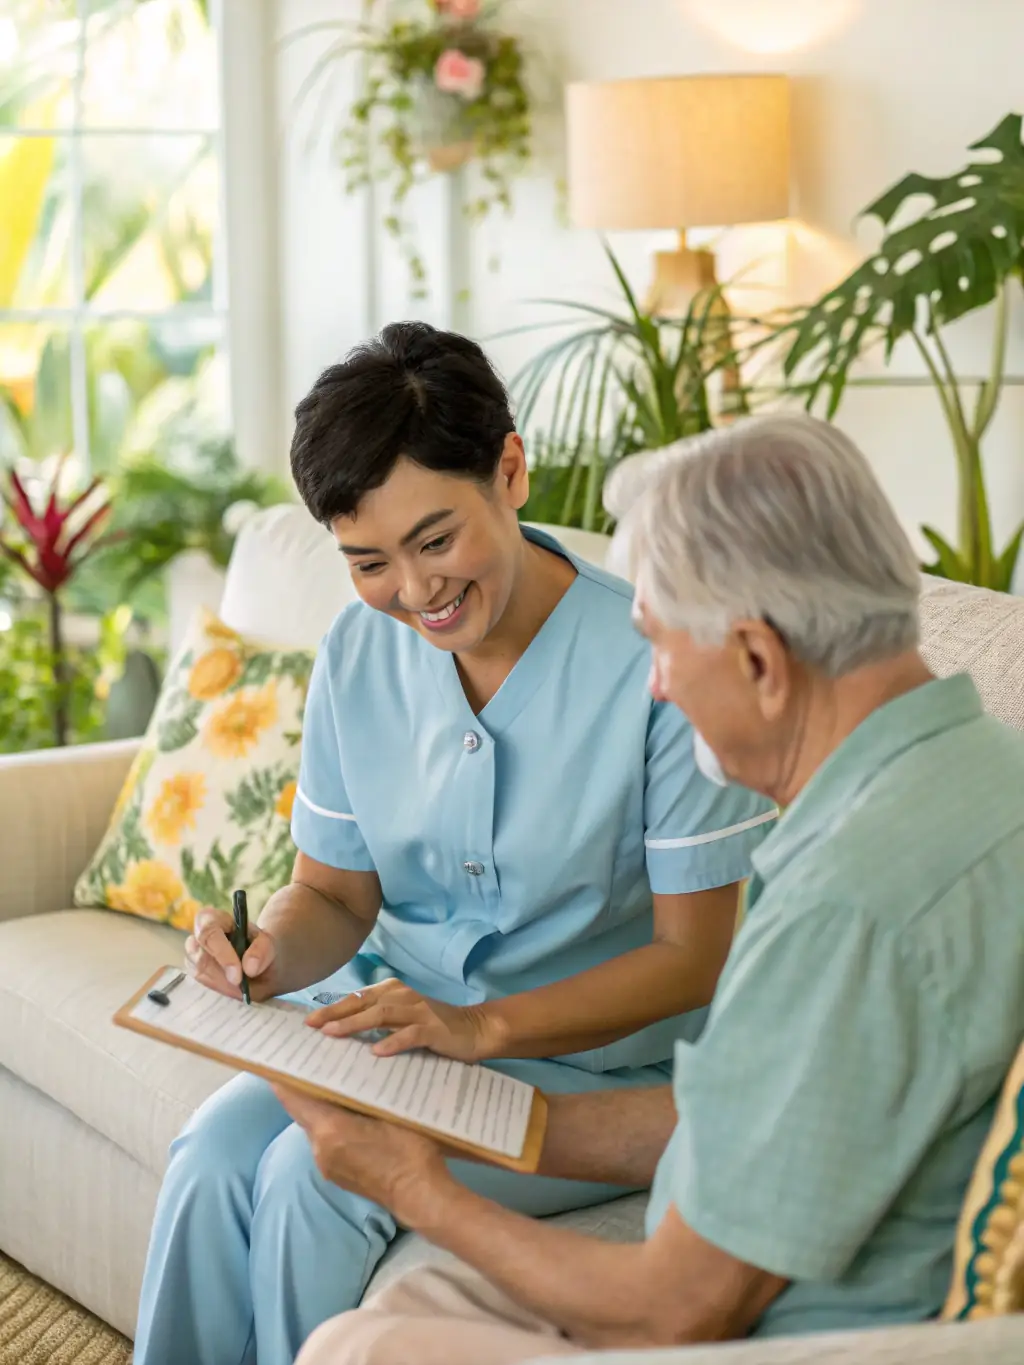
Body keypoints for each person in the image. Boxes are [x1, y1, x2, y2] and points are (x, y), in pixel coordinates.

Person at [274, 412, 1024, 1365]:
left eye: (661, 647)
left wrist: (414, 1186)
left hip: (782, 1337)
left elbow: (675, 1311)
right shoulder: (982, 774)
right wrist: (458, 1119)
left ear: (758, 660)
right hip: (742, 1272)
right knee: (410, 1302)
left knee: (356, 1350)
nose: (658, 687)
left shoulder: (848, 906)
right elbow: (759, 1115)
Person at [132, 323, 776, 1365]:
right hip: (393, 1035)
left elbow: (693, 957)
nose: (414, 590)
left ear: (509, 471)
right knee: (211, 1153)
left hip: (590, 1069)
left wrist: (480, 1025)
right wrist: (265, 953)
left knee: (310, 1181)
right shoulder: (357, 650)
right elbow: (333, 896)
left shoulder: (655, 662)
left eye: (435, 542)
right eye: (369, 562)